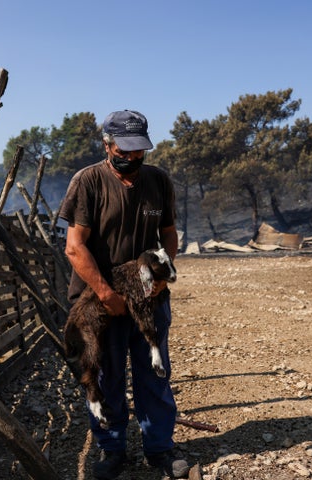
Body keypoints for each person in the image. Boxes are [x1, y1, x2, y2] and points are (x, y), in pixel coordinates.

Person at [59, 110, 190, 479]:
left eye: (138, 150)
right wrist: (105, 293)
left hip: (148, 299)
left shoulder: (158, 181)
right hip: (100, 302)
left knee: (154, 375)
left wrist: (160, 278)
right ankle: (112, 450)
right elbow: (74, 247)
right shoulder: (88, 182)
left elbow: (168, 234)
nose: (132, 157)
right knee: (106, 376)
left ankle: (160, 449)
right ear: (107, 144)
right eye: (124, 150)